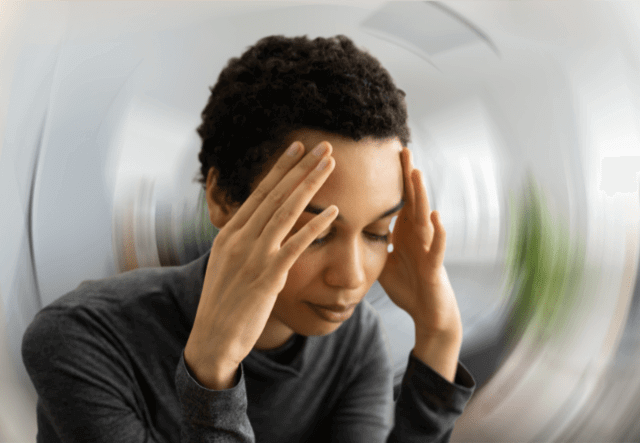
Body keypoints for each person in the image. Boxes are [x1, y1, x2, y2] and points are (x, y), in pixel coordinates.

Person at [22, 34, 475, 442]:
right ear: (220, 197)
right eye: (310, 233)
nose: (352, 277)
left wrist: (439, 337)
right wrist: (211, 374)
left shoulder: (354, 343)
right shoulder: (82, 338)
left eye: (378, 233)